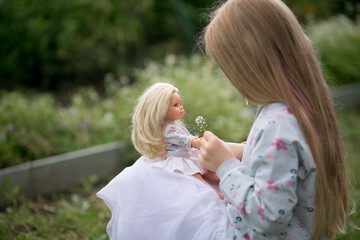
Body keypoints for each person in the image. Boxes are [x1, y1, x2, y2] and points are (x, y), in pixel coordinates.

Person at [198, 0, 350, 239]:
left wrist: (226, 167)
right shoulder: (296, 110)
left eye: (229, 70)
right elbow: (284, 162)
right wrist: (238, 152)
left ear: (251, 65)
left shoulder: (277, 123)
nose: (230, 81)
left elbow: (269, 215)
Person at [96, 83, 228, 239]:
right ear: (162, 109)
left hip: (183, 154)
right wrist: (193, 142)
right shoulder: (167, 129)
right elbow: (178, 139)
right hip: (175, 158)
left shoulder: (173, 125)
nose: (181, 108)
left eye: (181, 104)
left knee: (204, 169)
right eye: (175, 105)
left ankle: (219, 183)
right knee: (195, 175)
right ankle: (216, 193)